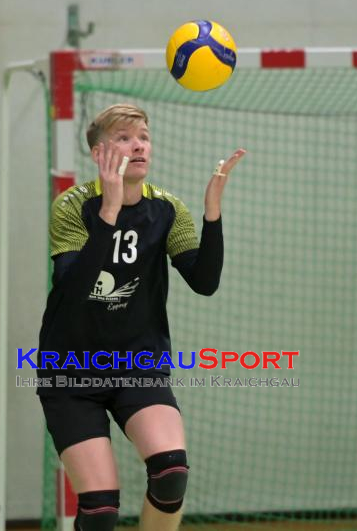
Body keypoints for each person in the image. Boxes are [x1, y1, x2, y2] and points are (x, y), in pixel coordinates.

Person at [37, 103, 246, 531]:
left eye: (144, 137)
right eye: (124, 137)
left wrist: (212, 211)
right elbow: (75, 295)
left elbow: (204, 282)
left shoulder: (167, 209)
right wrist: (109, 214)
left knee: (171, 473)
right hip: (71, 371)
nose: (138, 145)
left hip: (138, 363)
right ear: (99, 153)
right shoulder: (72, 206)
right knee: (100, 510)